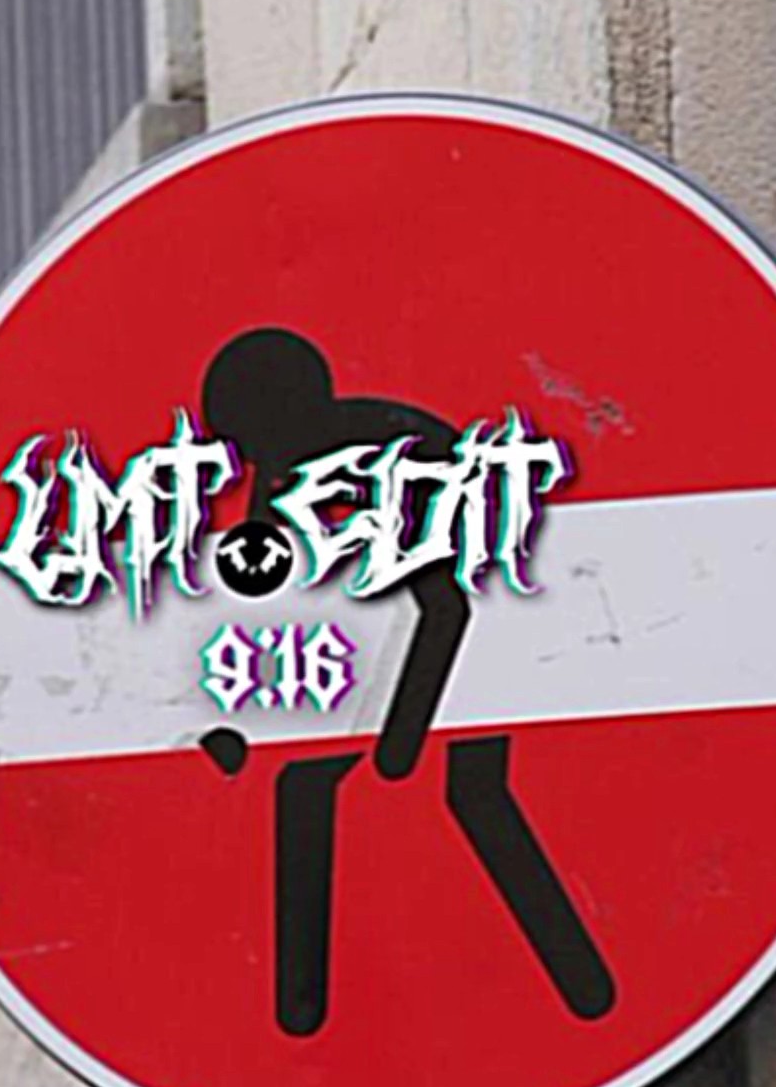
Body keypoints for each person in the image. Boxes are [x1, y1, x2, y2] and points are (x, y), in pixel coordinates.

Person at [198, 327, 616, 1037]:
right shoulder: (289, 461)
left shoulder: (394, 462)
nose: (255, 466)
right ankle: (299, 1020)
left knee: (475, 791)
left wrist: (399, 739)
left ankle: (589, 995)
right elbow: (262, 585)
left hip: (503, 608)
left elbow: (448, 607)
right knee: (304, 782)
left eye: (255, 444)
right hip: (395, 627)